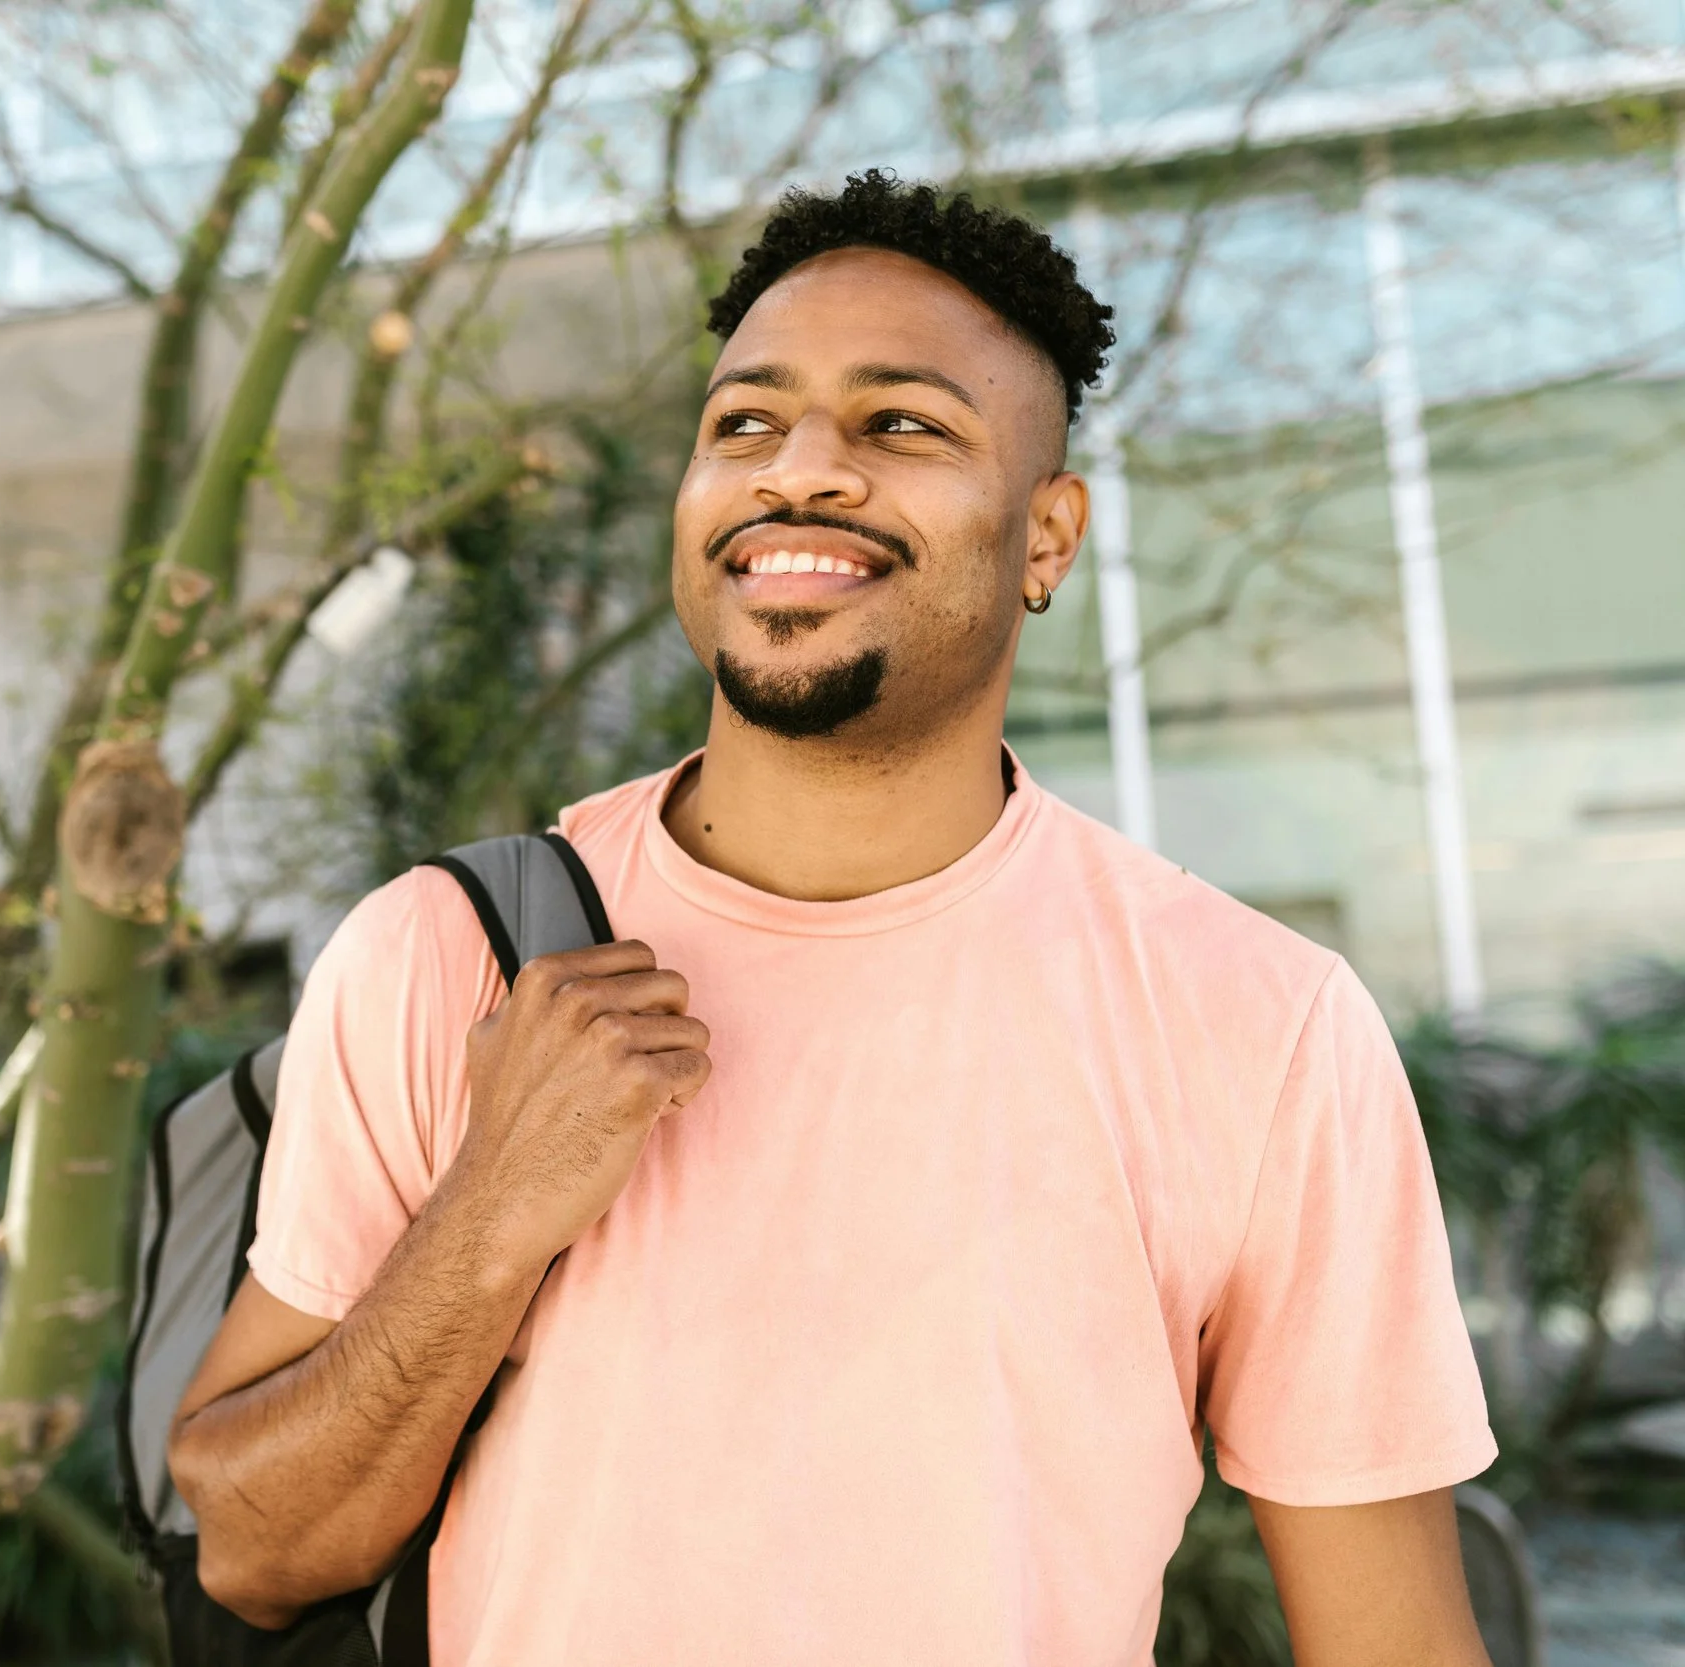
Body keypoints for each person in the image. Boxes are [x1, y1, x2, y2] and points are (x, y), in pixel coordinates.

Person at [167, 170, 1498, 1665]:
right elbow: (253, 1551)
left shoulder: (1261, 1025)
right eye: (745, 421)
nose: (798, 469)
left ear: (1048, 536)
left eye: (901, 423)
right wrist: (488, 1215)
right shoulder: (448, 953)